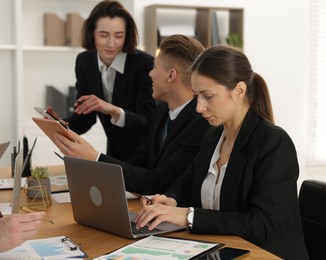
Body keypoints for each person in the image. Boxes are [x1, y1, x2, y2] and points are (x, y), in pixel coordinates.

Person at [134, 46, 309, 259]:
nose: (199, 107)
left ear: (239, 91)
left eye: (208, 96)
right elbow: (186, 184)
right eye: (197, 96)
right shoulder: (212, 136)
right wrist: (169, 201)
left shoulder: (273, 143)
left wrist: (189, 216)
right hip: (221, 250)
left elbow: (262, 224)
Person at [53, 34, 210, 195]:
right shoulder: (162, 110)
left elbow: (158, 182)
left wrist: (94, 157)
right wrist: (92, 166)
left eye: (155, 67)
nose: (150, 74)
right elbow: (138, 162)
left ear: (171, 75)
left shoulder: (201, 123)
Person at [49, 0, 155, 161]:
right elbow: (86, 116)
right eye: (104, 35)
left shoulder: (143, 63)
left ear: (127, 36)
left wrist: (112, 110)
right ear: (92, 33)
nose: (111, 43)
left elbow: (147, 122)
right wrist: (62, 125)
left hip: (147, 154)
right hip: (113, 152)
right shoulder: (85, 61)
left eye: (119, 36)